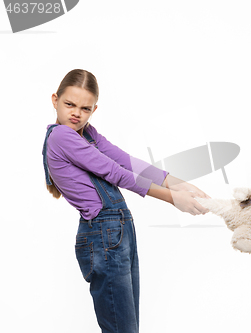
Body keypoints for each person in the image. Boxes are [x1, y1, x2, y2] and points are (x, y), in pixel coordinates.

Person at [42, 69, 210, 333]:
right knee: (122, 329)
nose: (76, 113)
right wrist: (171, 198)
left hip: (117, 230)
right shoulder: (62, 136)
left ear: (94, 109)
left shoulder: (87, 133)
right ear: (55, 99)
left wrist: (176, 182)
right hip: (103, 232)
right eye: (69, 104)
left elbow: (126, 160)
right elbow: (114, 172)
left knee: (127, 327)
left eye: (85, 108)